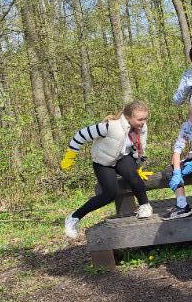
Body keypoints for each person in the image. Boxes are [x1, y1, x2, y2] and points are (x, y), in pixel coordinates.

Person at [61, 101, 153, 238]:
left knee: (134, 177)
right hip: (103, 162)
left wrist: (138, 165)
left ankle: (145, 205)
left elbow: (139, 148)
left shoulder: (142, 128)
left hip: (121, 157)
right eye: (140, 119)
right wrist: (70, 155)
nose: (143, 122)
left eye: (145, 118)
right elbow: (81, 134)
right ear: (128, 117)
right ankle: (74, 217)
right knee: (110, 193)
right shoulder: (110, 126)